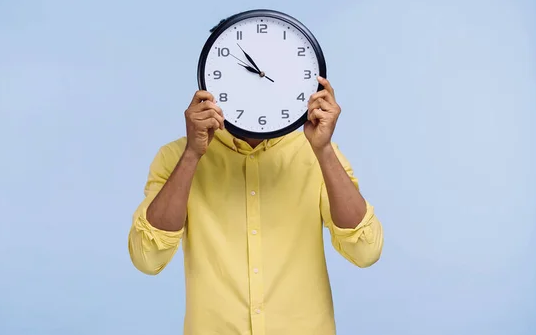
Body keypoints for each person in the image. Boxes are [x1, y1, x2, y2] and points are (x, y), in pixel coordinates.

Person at [128, 76, 384, 335]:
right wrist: (192, 154)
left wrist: (324, 150)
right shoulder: (176, 157)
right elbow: (147, 257)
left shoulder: (316, 155)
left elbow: (365, 251)